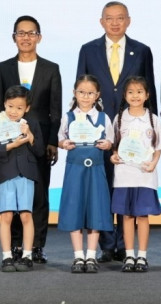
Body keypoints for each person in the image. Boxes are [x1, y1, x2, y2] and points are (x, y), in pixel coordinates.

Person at [76, 1, 156, 263]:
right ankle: (107, 245)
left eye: (120, 18)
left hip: (131, 129)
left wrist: (152, 130)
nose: (114, 23)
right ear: (101, 22)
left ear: (128, 21)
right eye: (109, 18)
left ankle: (125, 245)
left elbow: (150, 91)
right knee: (102, 187)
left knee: (126, 185)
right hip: (97, 130)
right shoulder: (88, 50)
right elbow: (81, 89)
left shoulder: (142, 51)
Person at [0, 15, 62, 263]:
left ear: (39, 37)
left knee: (39, 195)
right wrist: (2, 139)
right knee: (12, 196)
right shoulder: (3, 68)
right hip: (10, 143)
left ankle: (37, 246)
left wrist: (51, 141)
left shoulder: (51, 68)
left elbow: (55, 109)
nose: (26, 38)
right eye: (21, 33)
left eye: (31, 33)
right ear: (14, 37)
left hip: (38, 142)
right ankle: (14, 245)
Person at [110, 76, 161, 273]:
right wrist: (114, 156)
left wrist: (153, 163)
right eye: (130, 92)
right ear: (124, 95)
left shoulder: (153, 119)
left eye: (139, 92)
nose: (135, 96)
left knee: (142, 216)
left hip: (145, 175)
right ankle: (129, 255)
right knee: (126, 216)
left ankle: (142, 256)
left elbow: (158, 147)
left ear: (147, 95)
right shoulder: (119, 118)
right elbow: (114, 146)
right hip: (124, 175)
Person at [57, 74, 115, 274]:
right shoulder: (68, 116)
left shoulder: (103, 117)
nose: (85, 96)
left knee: (95, 209)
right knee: (75, 208)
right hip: (75, 168)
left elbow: (110, 140)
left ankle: (91, 255)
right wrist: (63, 144)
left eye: (90, 93)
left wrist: (107, 144)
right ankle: (78, 256)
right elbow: (60, 138)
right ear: (75, 93)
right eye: (81, 92)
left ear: (97, 95)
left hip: (96, 168)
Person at [0, 85, 46, 272]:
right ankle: (7, 256)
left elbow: (40, 151)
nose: (14, 111)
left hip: (27, 174)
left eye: (19, 108)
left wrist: (30, 136)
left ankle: (27, 255)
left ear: (27, 108)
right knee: (6, 215)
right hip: (6, 173)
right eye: (10, 106)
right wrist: (12, 145)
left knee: (26, 215)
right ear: (4, 104)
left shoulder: (31, 124)